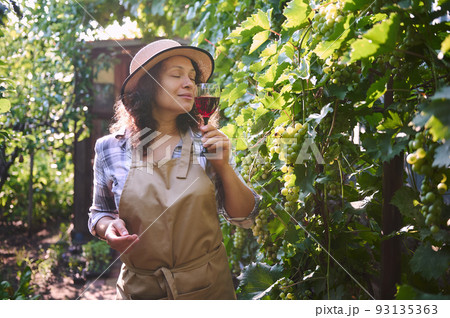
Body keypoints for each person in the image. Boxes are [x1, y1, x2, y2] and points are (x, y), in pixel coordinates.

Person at [88, 39, 260, 300]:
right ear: (147, 85)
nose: (189, 83)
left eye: (192, 77)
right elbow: (100, 212)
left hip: (208, 291)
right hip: (140, 295)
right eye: (176, 75)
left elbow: (245, 217)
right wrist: (107, 228)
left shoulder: (209, 143)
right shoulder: (109, 149)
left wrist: (224, 167)